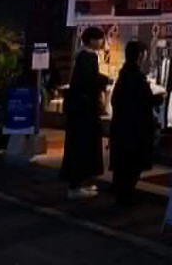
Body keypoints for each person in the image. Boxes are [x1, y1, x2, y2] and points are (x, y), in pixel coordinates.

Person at [109, 40, 163, 205]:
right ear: (140, 55)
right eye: (144, 54)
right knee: (132, 165)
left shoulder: (124, 75)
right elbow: (145, 100)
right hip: (135, 130)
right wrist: (158, 98)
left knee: (123, 165)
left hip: (122, 128)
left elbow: (115, 100)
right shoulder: (136, 77)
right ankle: (125, 197)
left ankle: (121, 196)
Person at [60, 27, 110, 199]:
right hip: (84, 112)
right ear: (92, 40)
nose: (102, 42)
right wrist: (105, 81)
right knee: (81, 147)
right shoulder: (87, 57)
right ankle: (75, 186)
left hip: (80, 111)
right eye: (100, 38)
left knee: (81, 146)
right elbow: (89, 80)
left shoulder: (83, 57)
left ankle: (78, 183)